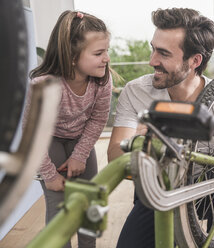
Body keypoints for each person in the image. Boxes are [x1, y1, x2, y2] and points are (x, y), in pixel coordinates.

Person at [107, 8, 214, 248]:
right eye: (153, 48)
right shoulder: (136, 92)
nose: (151, 60)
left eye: (163, 53)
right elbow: (114, 156)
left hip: (211, 186)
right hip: (161, 186)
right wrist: (141, 142)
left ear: (195, 60)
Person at [25, 10, 112, 248]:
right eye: (98, 53)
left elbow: (97, 119)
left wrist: (80, 155)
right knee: (58, 206)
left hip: (79, 138)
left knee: (90, 202)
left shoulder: (102, 80)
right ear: (73, 57)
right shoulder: (44, 85)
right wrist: (50, 176)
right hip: (47, 141)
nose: (106, 59)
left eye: (107, 51)